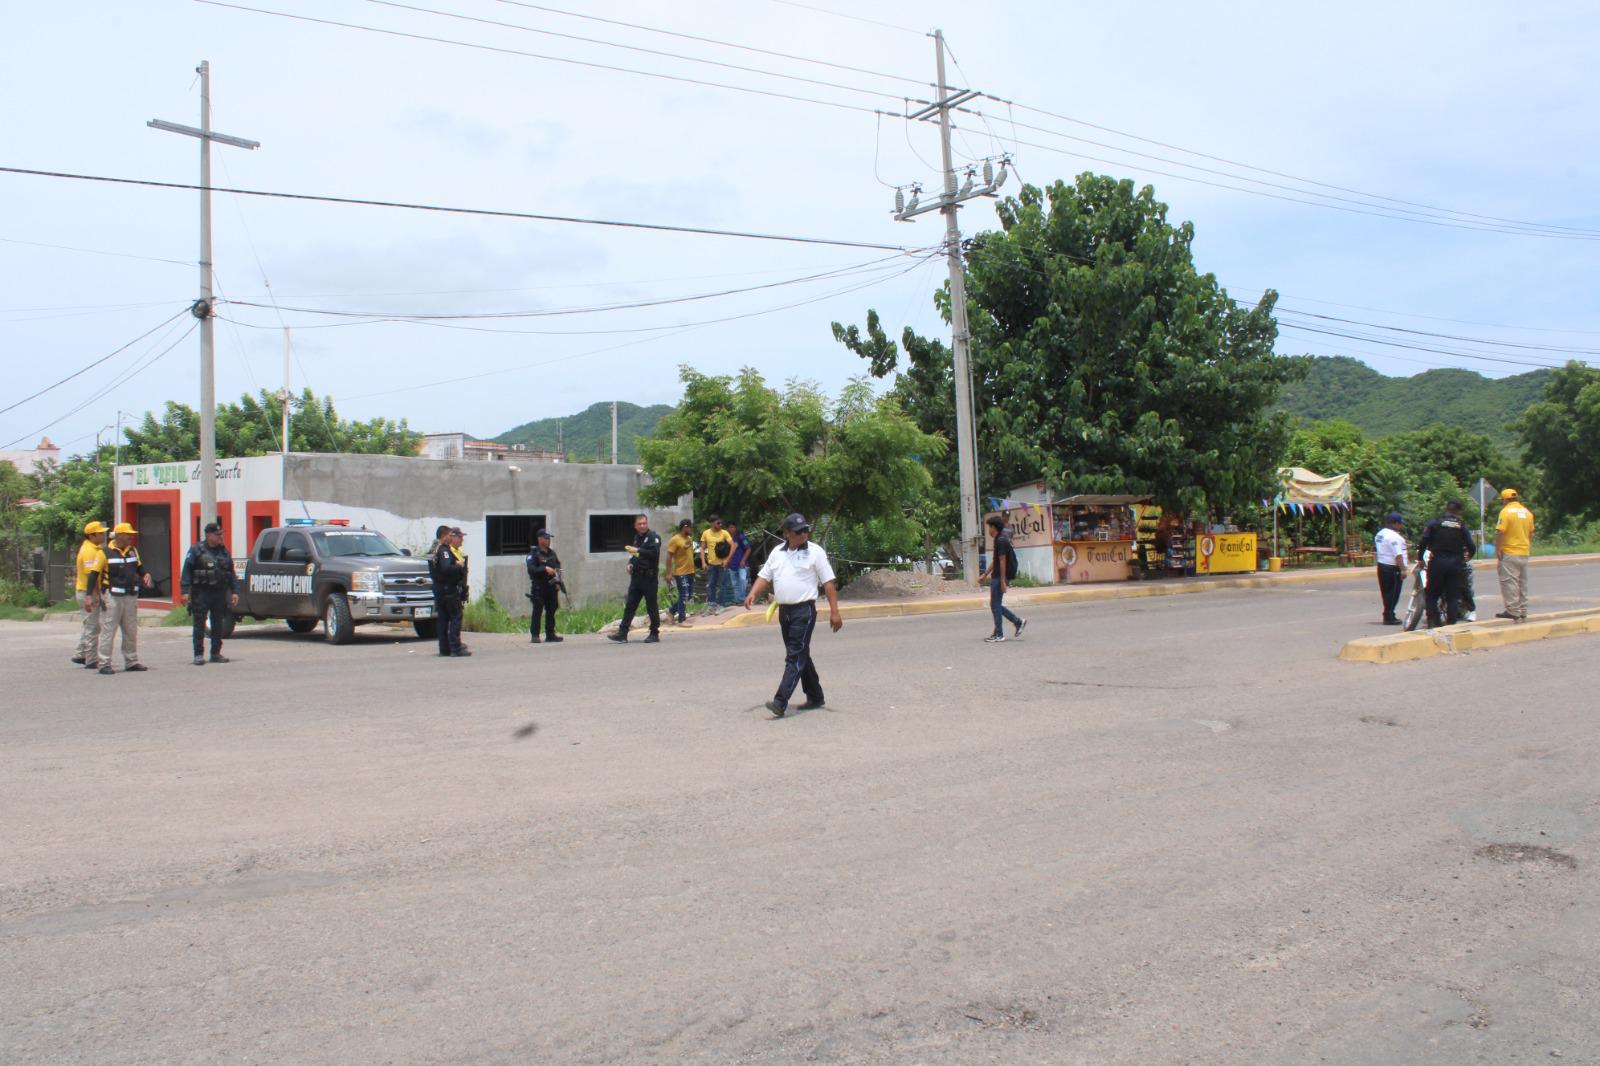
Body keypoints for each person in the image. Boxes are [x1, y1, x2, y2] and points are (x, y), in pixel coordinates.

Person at [744, 513, 842, 718]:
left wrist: (835, 612)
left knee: (794, 656)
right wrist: (753, 593)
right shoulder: (777, 553)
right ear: (787, 533)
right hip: (785, 612)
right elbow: (764, 576)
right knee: (800, 653)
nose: (804, 534)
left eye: (805, 530)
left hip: (804, 611)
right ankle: (815, 695)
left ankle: (780, 702)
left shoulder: (816, 552)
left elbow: (829, 584)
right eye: (799, 531)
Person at [93, 522, 152, 674]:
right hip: (113, 597)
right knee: (108, 630)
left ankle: (131, 661)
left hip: (130, 596)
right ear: (119, 535)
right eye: (128, 534)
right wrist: (90, 596)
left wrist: (145, 574)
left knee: (131, 630)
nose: (131, 536)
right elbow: (93, 575)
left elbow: (139, 568)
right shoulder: (104, 552)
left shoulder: (133, 551)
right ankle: (104, 663)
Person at [180, 521, 240, 665]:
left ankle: (215, 653)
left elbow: (231, 573)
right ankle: (198, 654)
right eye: (217, 534)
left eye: (221, 534)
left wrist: (235, 592)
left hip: (219, 593)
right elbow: (187, 571)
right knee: (199, 623)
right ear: (208, 535)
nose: (220, 537)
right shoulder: (196, 550)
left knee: (217, 623)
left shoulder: (224, 551)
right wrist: (185, 591)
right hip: (201, 592)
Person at [1418, 500, 1475, 628]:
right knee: (1452, 595)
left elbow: (1424, 541)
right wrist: (1468, 556)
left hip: (1437, 562)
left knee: (1432, 593)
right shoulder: (1461, 525)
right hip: (1455, 563)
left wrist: (1421, 558)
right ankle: (1451, 622)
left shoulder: (1435, 522)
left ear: (1446, 508)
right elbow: (1471, 545)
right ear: (1459, 512)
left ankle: (1433, 621)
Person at [608, 514, 662, 643]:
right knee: (630, 605)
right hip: (637, 577)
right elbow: (635, 555)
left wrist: (638, 549)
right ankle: (622, 633)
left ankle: (654, 633)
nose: (642, 526)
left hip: (649, 577)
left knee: (651, 606)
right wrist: (630, 563)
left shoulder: (653, 538)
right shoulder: (637, 538)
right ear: (635, 526)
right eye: (640, 524)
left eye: (644, 523)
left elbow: (654, 554)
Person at [980, 514, 1027, 642]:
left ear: (994, 527)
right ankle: (1017, 622)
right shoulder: (999, 539)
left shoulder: (1001, 540)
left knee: (995, 605)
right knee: (995, 605)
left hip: (1000, 577)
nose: (988, 530)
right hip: (998, 576)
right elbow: (995, 561)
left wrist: (1002, 581)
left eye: (989, 527)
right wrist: (985, 574)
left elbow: (1002, 561)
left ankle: (999, 634)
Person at [1494, 487, 1536, 623]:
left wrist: (1498, 549)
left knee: (1509, 582)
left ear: (1505, 500)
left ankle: (1513, 610)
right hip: (1524, 552)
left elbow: (1500, 532)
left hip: (1510, 552)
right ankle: (1523, 611)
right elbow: (1531, 533)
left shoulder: (1505, 512)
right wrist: (1527, 547)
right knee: (1522, 583)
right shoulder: (1527, 512)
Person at [71, 520, 109, 668]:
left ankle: (80, 653)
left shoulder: (94, 548)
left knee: (91, 625)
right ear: (92, 536)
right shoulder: (89, 551)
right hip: (88, 592)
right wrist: (94, 595)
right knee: (92, 626)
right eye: (100, 533)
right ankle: (91, 660)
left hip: (87, 591)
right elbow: (90, 576)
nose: (103, 535)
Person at [430, 525, 470, 657]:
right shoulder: (444, 551)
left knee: (443, 619)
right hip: (448, 589)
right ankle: (455, 648)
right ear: (444, 535)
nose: (451, 538)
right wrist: (458, 566)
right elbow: (447, 568)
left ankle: (444, 648)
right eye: (449, 535)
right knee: (455, 617)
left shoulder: (434, 549)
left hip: (439, 589)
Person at [525, 527, 563, 643]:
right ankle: (535, 635)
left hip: (551, 586)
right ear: (540, 539)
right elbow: (531, 569)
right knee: (538, 610)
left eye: (549, 538)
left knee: (551, 610)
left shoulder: (552, 553)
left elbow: (558, 567)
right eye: (546, 538)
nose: (548, 540)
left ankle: (550, 634)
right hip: (539, 586)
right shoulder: (534, 553)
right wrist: (544, 569)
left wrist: (558, 582)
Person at [1373, 512, 1410, 625]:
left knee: (1386, 592)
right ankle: (1389, 616)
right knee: (1393, 593)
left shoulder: (1380, 534)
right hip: (1392, 568)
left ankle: (1388, 614)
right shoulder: (1394, 537)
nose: (1400, 526)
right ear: (1395, 524)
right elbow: (1398, 555)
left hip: (1382, 565)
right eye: (1399, 524)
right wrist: (1403, 569)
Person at [665, 518, 697, 625]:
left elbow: (689, 555)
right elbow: (669, 557)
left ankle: (671, 610)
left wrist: (693, 570)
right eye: (690, 527)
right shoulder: (675, 539)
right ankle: (682, 619)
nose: (692, 529)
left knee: (689, 595)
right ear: (685, 527)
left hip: (690, 571)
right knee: (684, 594)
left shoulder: (689, 539)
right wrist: (668, 573)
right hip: (680, 572)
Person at [700, 515, 733, 615]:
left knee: (723, 585)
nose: (720, 525)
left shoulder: (724, 533)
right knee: (711, 585)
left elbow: (733, 546)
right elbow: (702, 548)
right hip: (711, 564)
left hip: (722, 564)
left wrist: (727, 559)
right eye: (718, 523)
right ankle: (711, 606)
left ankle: (721, 605)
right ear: (712, 523)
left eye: (721, 523)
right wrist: (703, 562)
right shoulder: (706, 533)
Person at [723, 520, 751, 607]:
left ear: (735, 528)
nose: (731, 529)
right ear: (727, 529)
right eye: (730, 527)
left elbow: (748, 548)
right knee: (735, 584)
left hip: (741, 564)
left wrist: (743, 560)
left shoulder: (741, 537)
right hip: (732, 565)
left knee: (742, 580)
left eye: (733, 527)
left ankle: (742, 599)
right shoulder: (727, 539)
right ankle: (737, 600)